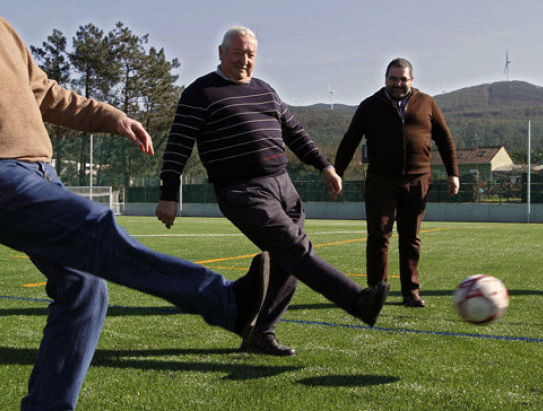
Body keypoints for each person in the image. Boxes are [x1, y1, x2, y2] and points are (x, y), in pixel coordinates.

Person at [0, 0, 273, 411]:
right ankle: (225, 302)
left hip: (42, 174)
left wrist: (112, 116)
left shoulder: (1, 28)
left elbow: (48, 95)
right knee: (93, 224)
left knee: (84, 286)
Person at [156, 26, 389, 356]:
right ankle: (356, 301)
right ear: (221, 53)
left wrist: (323, 165)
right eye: (238, 53)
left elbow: (294, 132)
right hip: (241, 190)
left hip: (283, 185)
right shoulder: (201, 93)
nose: (245, 60)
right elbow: (178, 145)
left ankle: (261, 333)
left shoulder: (266, 91)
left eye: (250, 54)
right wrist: (169, 195)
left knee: (288, 260)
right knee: (295, 249)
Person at [334, 58, 460, 308]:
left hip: (419, 179)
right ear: (385, 79)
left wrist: (453, 173)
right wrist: (336, 172)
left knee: (411, 238)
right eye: (393, 78)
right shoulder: (370, 106)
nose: (398, 83)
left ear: (412, 80)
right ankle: (377, 293)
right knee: (379, 237)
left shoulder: (428, 103)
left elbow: (444, 139)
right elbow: (350, 140)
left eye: (403, 79)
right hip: (381, 181)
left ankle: (410, 292)